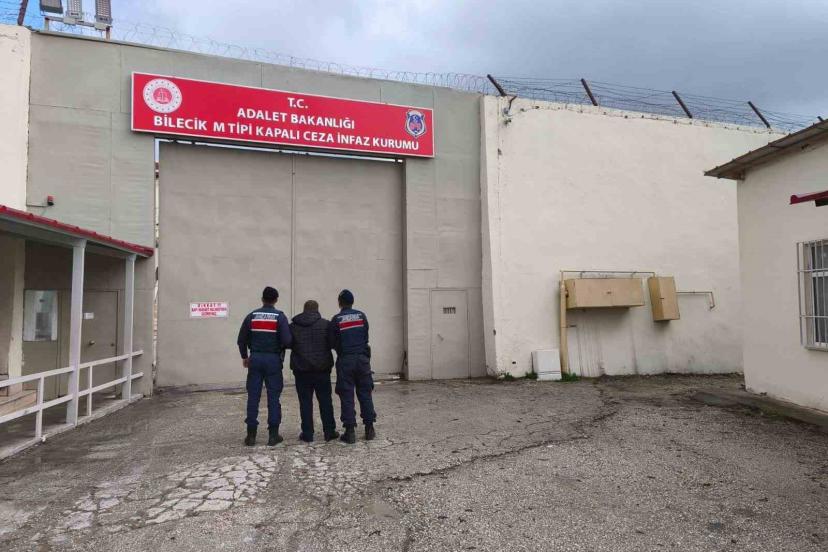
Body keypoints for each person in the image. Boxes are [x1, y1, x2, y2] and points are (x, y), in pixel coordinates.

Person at [237, 286, 292, 446]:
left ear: (262, 299)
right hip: (273, 360)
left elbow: (241, 340)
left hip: (255, 359)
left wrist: (245, 357)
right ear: (276, 300)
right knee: (273, 396)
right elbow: (287, 341)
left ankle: (251, 436)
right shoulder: (280, 317)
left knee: (253, 396)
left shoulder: (251, 316)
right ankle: (273, 435)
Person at [329, 289, 376, 444]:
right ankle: (369, 428)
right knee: (365, 393)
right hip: (362, 360)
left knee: (346, 394)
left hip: (346, 361)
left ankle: (350, 432)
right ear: (352, 301)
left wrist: (343, 351)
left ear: (339, 303)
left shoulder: (336, 319)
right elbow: (366, 337)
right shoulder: (362, 316)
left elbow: (332, 342)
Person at [289, 300, 339, 443]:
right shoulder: (326, 325)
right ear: (317, 310)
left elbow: (287, 343)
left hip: (301, 370)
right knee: (325, 401)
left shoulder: (293, 326)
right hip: (322, 370)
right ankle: (329, 432)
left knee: (305, 402)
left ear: (304, 309)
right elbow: (332, 343)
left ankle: (307, 433)